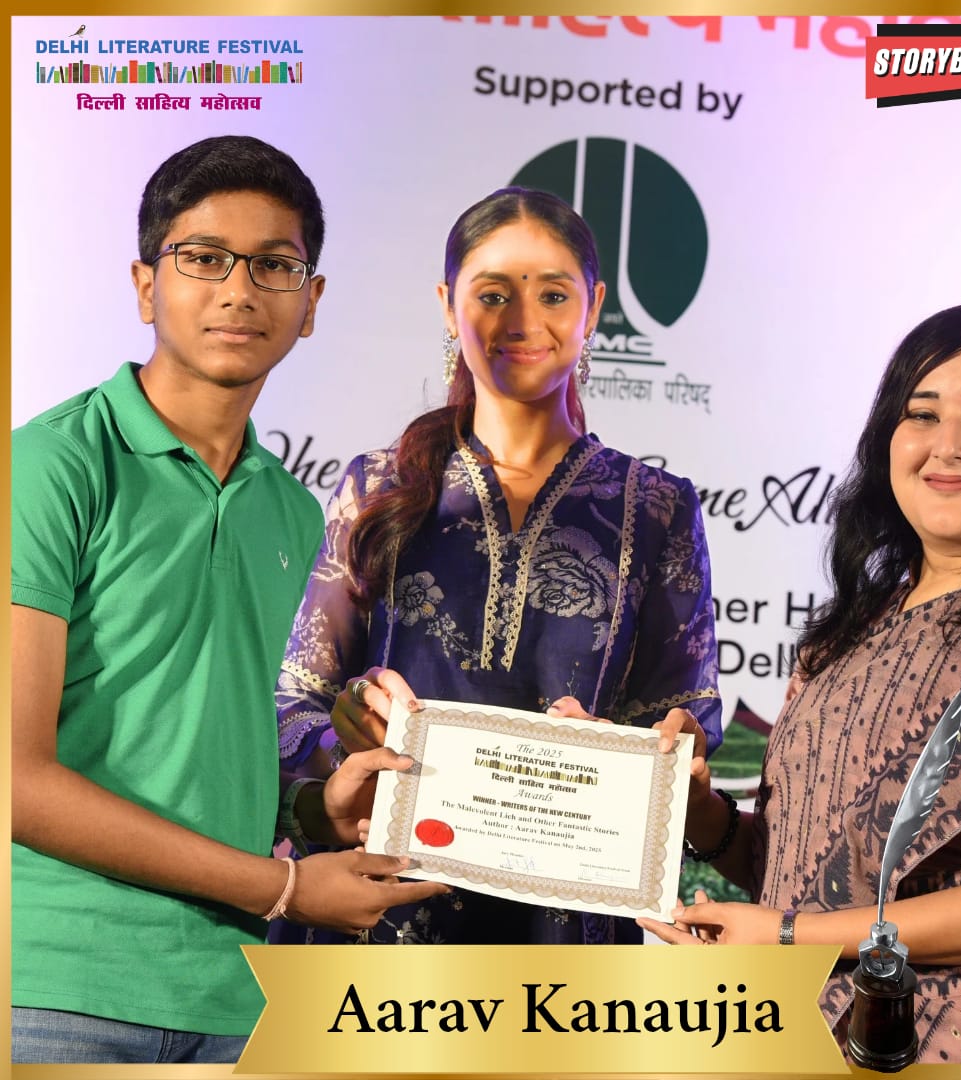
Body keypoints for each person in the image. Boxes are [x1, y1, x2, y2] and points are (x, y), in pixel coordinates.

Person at [11, 135, 449, 1065]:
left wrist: (322, 813)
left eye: (274, 265)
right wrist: (284, 889)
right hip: (54, 988)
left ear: (311, 302)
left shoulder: (294, 510)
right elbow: (16, 778)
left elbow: (224, 764)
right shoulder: (50, 466)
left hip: (236, 999)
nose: (239, 290)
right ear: (145, 285)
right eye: (204, 258)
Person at [274, 185, 723, 946]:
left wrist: (646, 758)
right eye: (492, 295)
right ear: (449, 307)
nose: (522, 321)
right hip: (377, 921)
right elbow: (295, 705)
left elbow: (686, 732)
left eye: (553, 294)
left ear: (594, 307)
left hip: (564, 942)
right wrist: (347, 734)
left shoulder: (656, 508)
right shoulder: (376, 487)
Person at [639, 302, 961, 1065]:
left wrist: (789, 937)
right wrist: (699, 809)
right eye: (921, 414)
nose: (949, 445)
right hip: (796, 1032)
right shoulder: (842, 638)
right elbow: (802, 869)